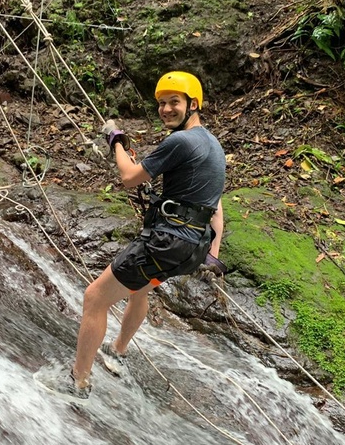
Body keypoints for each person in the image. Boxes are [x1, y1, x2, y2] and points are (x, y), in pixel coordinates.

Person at [63, 71, 226, 399]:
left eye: (174, 102)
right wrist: (214, 252)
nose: (166, 109)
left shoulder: (180, 141)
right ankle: (119, 349)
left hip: (166, 243)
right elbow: (216, 205)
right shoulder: (212, 144)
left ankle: (78, 380)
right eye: (162, 103)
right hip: (191, 249)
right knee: (138, 290)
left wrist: (116, 142)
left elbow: (128, 177)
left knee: (95, 298)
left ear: (193, 104)